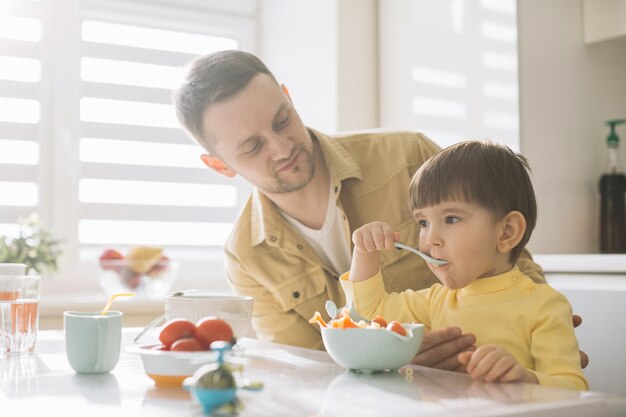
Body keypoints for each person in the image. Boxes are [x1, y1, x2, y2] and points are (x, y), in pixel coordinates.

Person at [171, 50, 586, 371]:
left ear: (288, 98)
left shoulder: (407, 157)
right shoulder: (247, 255)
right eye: (252, 147)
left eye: (282, 120)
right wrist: (397, 360)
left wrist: (544, 342)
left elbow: (513, 262)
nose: (282, 148)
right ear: (220, 166)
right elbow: (307, 367)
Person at [342, 141, 587, 390]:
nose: (430, 239)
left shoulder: (544, 306)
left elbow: (572, 388)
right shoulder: (434, 301)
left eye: (451, 219)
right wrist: (365, 252)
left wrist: (523, 380)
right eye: (423, 223)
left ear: (506, 232)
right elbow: (368, 312)